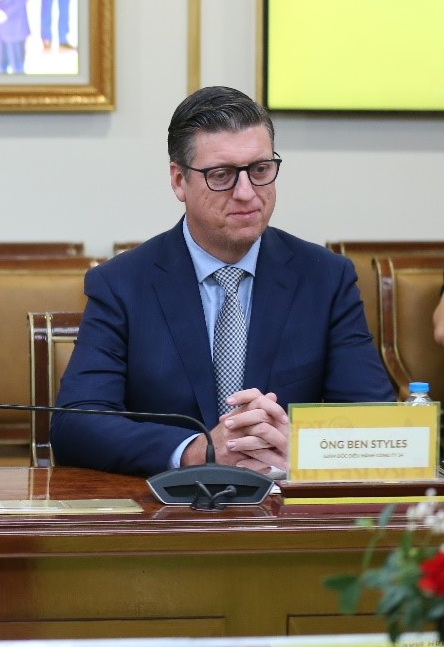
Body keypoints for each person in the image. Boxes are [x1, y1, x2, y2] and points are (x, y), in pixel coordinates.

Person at [50, 87, 395, 477]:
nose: (246, 193)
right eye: (222, 175)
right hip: (169, 505)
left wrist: (299, 445)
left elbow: (376, 422)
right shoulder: (122, 284)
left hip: (283, 504)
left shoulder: (325, 278)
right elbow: (76, 424)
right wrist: (197, 451)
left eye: (260, 170)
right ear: (179, 181)